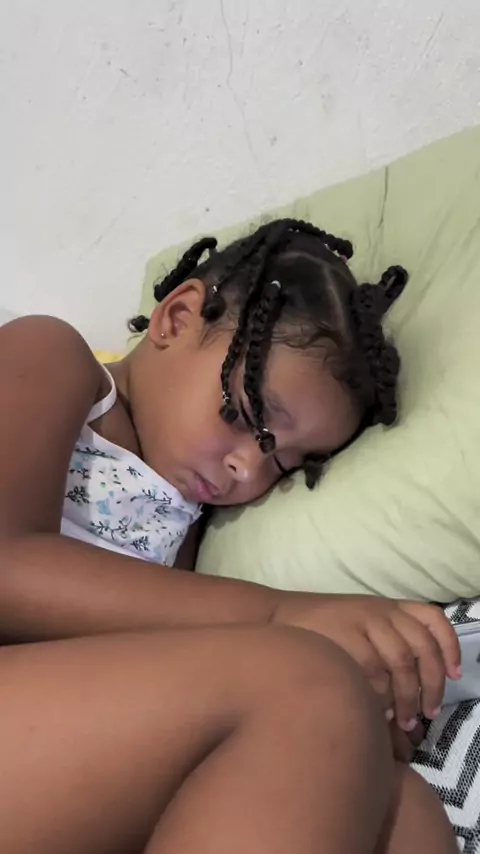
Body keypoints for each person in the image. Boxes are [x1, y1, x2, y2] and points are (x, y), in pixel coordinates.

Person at [0, 218, 459, 853]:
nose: (249, 468)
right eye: (247, 416)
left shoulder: (184, 526)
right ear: (176, 318)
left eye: (284, 464)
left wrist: (359, 727)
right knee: (306, 684)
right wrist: (279, 617)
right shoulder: (52, 356)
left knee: (400, 807)